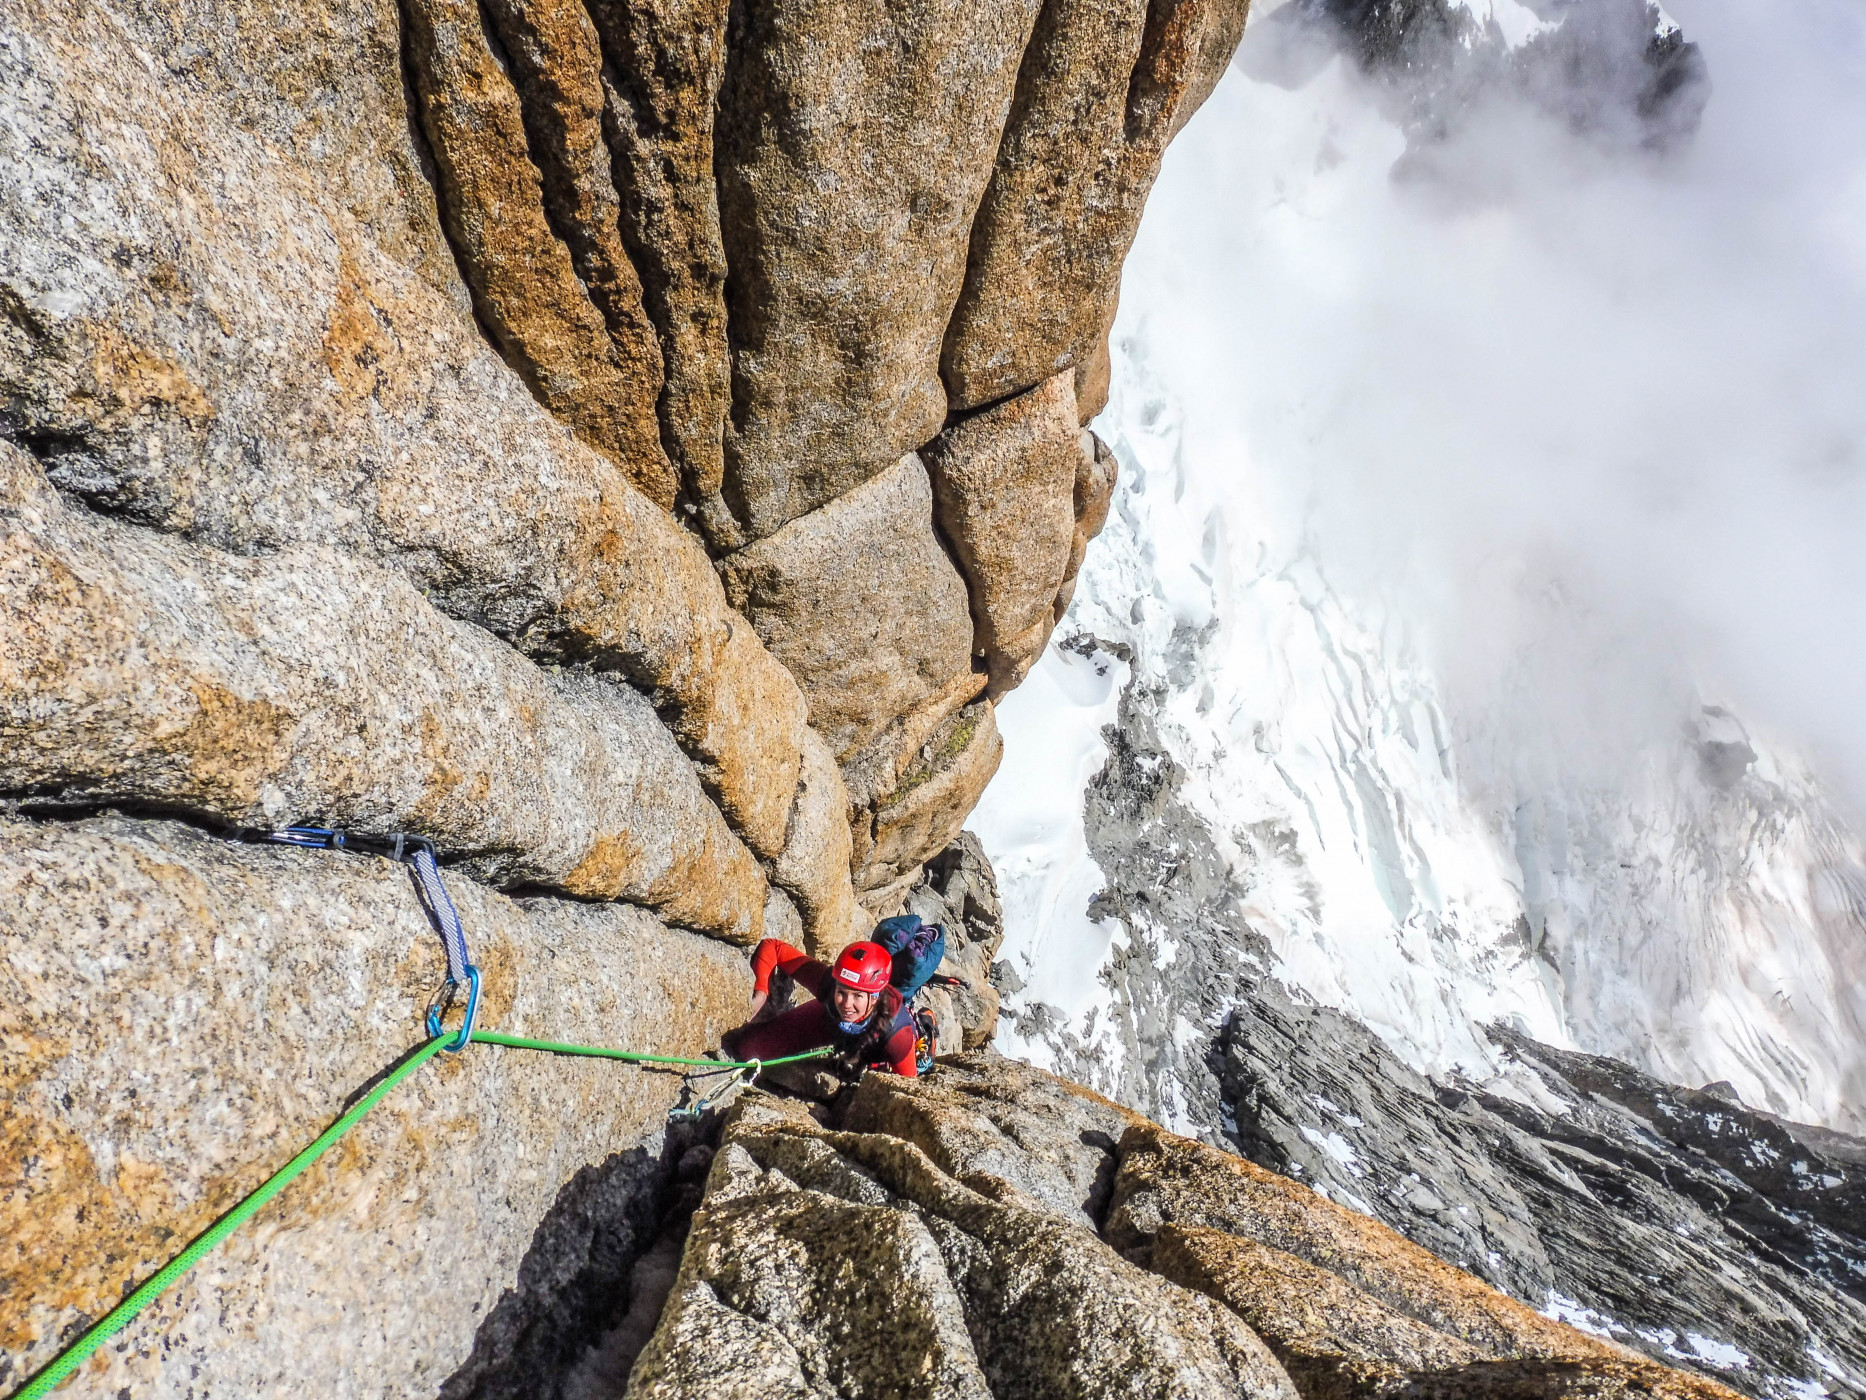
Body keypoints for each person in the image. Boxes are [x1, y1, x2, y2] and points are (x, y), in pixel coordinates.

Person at [720, 936, 918, 1079]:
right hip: (829, 1024)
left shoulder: (897, 1035)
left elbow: (910, 1086)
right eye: (842, 992)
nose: (847, 1004)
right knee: (749, 1051)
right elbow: (774, 948)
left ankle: (925, 1024)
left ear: (874, 998)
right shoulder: (829, 983)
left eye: (857, 996)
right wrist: (761, 992)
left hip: (875, 1048)